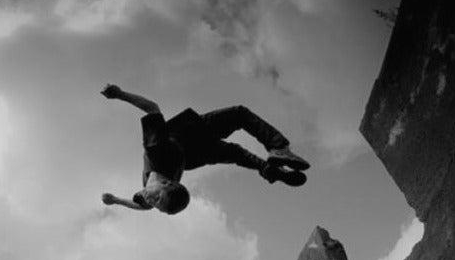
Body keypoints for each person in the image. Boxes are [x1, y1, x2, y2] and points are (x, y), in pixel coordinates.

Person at [99, 84, 310, 215]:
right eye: (157, 201)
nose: (150, 201)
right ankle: (278, 148)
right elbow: (152, 108)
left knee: (236, 151)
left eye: (156, 202)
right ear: (166, 183)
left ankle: (270, 169)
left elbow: (140, 207)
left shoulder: (153, 171)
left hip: (193, 154)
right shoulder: (156, 151)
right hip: (191, 136)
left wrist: (117, 200)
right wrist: (119, 95)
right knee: (239, 116)